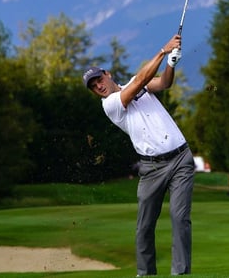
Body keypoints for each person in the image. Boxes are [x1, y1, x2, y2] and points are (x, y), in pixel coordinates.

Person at [83, 34, 193, 276]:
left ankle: (181, 273)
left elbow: (164, 83)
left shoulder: (136, 83)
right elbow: (141, 80)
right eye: (93, 87)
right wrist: (163, 51)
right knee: (144, 226)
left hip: (181, 159)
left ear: (108, 74)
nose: (98, 86)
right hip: (152, 168)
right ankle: (145, 273)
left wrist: (171, 64)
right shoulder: (111, 105)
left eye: (99, 80)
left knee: (180, 217)